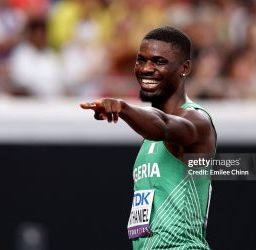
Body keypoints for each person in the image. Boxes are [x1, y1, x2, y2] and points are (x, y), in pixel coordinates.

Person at [80, 26, 216, 250]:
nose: (146, 68)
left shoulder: (196, 120)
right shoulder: (148, 134)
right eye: (141, 60)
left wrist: (123, 108)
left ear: (184, 68)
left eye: (159, 61)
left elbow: (164, 125)